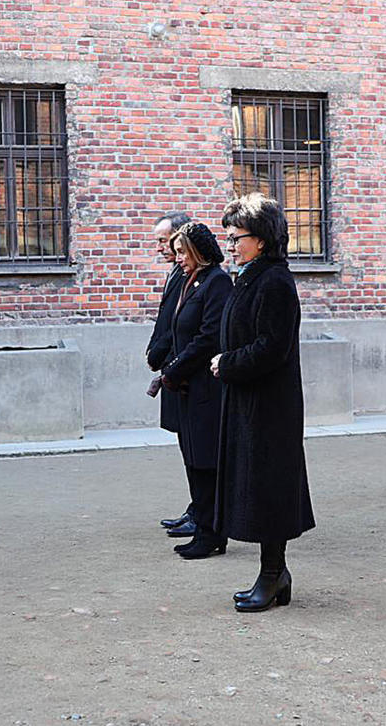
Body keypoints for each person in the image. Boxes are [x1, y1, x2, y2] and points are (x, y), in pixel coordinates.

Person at [210, 193, 315, 611]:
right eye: (230, 237)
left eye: (238, 237)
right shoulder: (253, 276)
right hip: (250, 401)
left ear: (263, 239)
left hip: (270, 408)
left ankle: (272, 575)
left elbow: (273, 346)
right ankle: (274, 574)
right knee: (256, 485)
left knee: (268, 489)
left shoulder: (275, 281)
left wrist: (228, 363)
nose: (232, 245)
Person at [159, 222, 232, 558]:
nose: (178, 259)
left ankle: (211, 533)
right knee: (193, 460)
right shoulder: (191, 281)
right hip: (187, 387)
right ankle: (203, 526)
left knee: (205, 463)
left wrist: (174, 369)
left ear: (198, 252)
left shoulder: (216, 282)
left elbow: (207, 337)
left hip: (205, 388)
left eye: (182, 253)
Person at [145, 212, 193, 535]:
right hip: (171, 368)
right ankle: (196, 507)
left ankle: (201, 511)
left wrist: (158, 353)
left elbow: (180, 326)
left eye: (164, 241)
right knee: (185, 443)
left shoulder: (190, 274)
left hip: (181, 369)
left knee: (194, 446)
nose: (160, 248)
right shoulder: (176, 272)